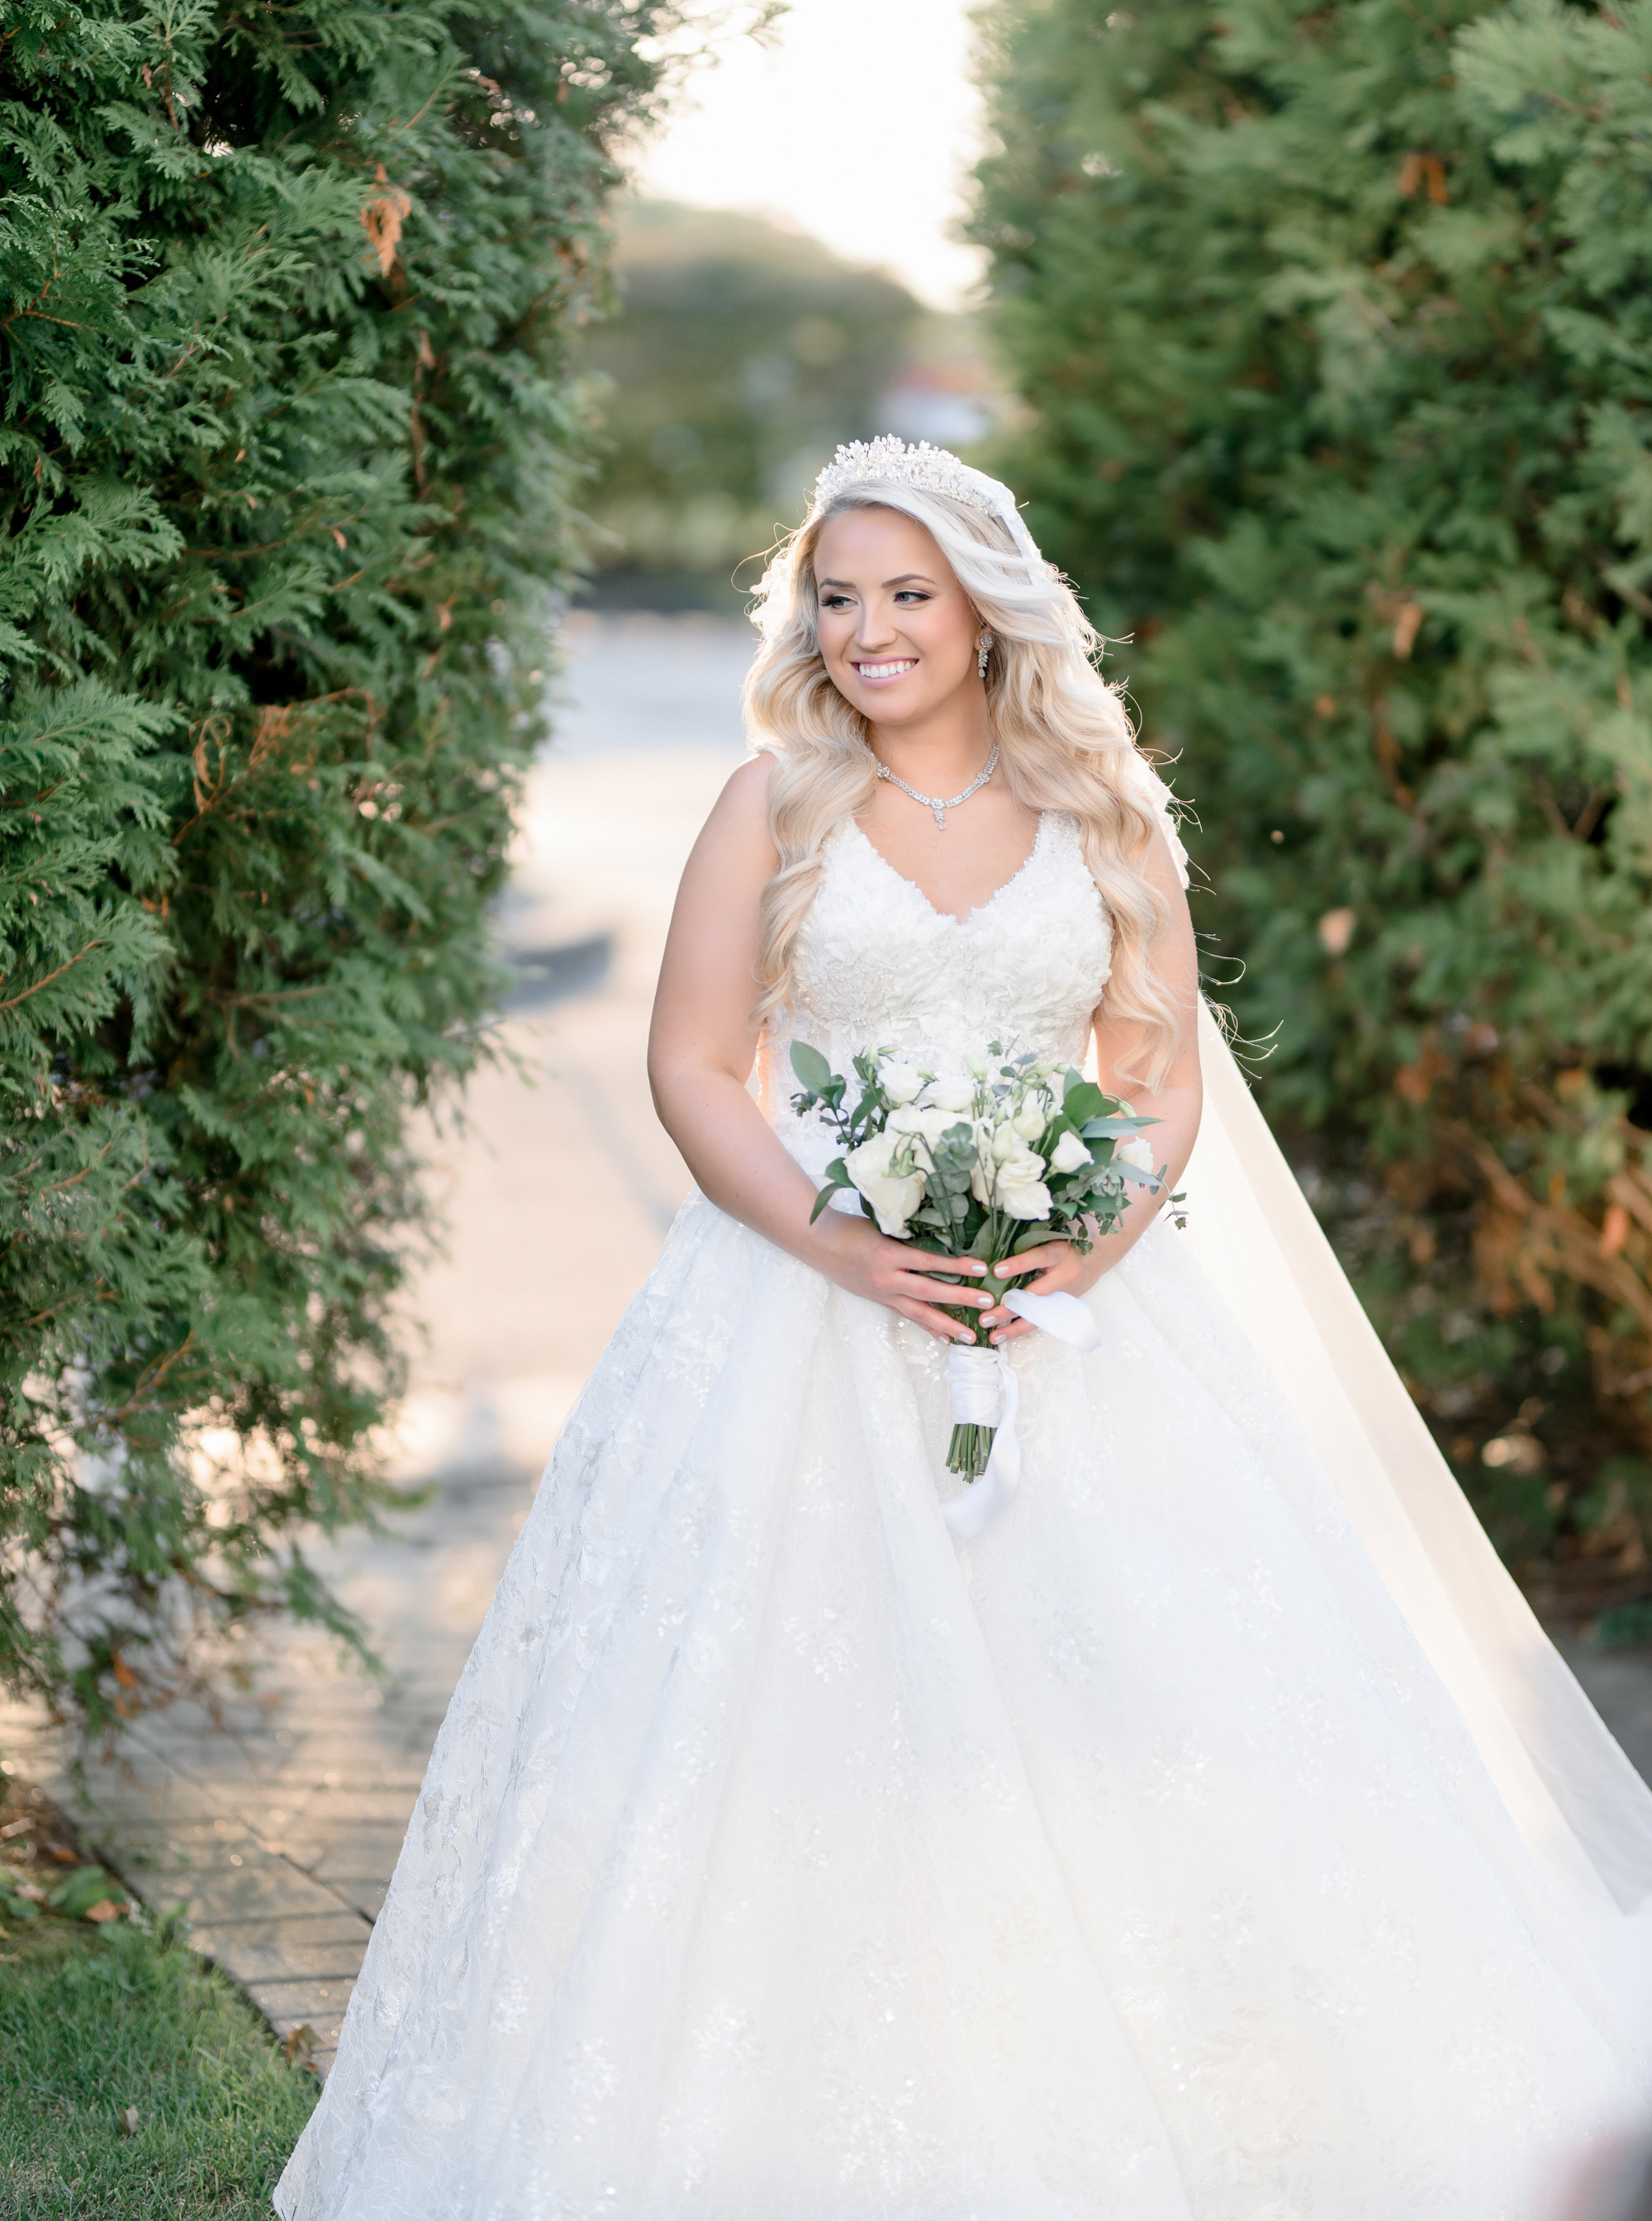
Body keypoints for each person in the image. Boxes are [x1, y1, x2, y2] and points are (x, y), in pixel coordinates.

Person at [277, 439, 1652, 2221]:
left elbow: (1153, 1085)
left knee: (1149, 1713)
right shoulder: (767, 805)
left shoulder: (1103, 809)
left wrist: (1087, 1235)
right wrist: (839, 1243)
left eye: (904, 594)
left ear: (987, 612)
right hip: (796, 1311)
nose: (865, 631)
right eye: (835, 598)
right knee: (780, 1719)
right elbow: (690, 1066)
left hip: (1073, 1319)